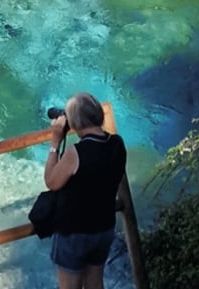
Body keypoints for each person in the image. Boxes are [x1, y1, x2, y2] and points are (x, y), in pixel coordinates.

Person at [44, 93, 126, 289]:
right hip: (103, 228)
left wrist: (55, 143)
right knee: (95, 284)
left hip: (75, 231)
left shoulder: (76, 152)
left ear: (75, 122)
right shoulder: (117, 144)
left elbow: (51, 181)